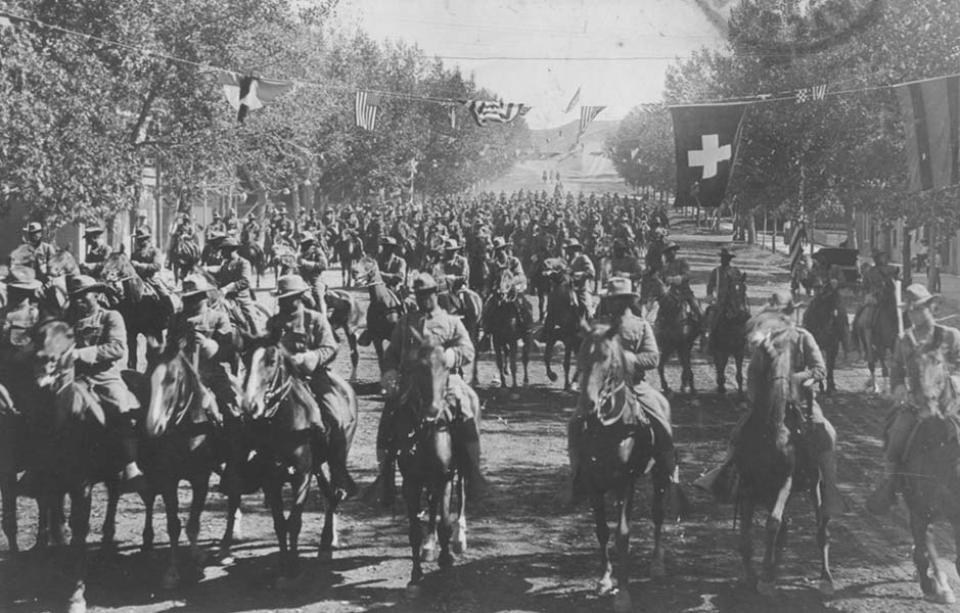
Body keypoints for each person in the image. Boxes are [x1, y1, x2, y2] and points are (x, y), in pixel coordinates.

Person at [694, 292, 842, 515]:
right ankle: (726, 477)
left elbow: (819, 369)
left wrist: (796, 379)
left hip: (800, 402)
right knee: (738, 434)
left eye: (783, 314)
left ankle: (830, 490)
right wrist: (756, 399)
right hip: (769, 403)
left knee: (825, 434)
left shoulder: (803, 337)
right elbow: (753, 374)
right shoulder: (765, 343)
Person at [374, 273, 483, 505]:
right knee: (388, 419)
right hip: (411, 383)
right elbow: (392, 353)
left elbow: (468, 349)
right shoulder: (405, 323)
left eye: (428, 294)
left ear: (436, 293)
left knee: (465, 412)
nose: (424, 299)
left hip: (445, 380)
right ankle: (385, 478)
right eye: (420, 295)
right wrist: (390, 373)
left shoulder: (451, 321)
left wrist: (450, 356)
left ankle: (473, 474)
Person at [568, 277, 676, 500]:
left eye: (620, 300)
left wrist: (628, 359)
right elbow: (585, 353)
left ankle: (669, 470)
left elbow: (653, 357)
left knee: (660, 420)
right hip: (603, 387)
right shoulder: (599, 326)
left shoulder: (641, 325)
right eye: (613, 300)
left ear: (628, 301)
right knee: (575, 423)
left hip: (634, 385)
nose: (616, 304)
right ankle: (577, 475)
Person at [866, 284, 960, 514]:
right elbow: (896, 370)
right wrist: (899, 388)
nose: (913, 314)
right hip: (916, 404)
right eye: (909, 310)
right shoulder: (904, 340)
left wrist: (956, 380)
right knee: (895, 438)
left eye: (918, 309)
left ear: (931, 307)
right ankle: (891, 485)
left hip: (950, 402)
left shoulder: (950, 335)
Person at [266, 275, 354, 498]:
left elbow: (330, 348)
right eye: (282, 299)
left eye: (289, 299)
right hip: (280, 380)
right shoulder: (274, 322)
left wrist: (309, 357)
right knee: (254, 416)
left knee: (335, 418)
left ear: (299, 297)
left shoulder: (315, 319)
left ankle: (339, 476)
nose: (284, 303)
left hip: (313, 378)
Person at [66, 274, 145, 492]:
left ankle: (131, 465)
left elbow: (117, 348)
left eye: (84, 296)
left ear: (96, 295)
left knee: (121, 407)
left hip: (105, 376)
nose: (79, 301)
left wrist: (81, 353)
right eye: (75, 297)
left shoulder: (110, 316)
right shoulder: (68, 319)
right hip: (75, 377)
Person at [164, 274, 237, 416]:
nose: (190, 301)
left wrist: (208, 345)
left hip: (211, 371)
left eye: (195, 297)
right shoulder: (176, 319)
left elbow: (228, 351)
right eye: (187, 297)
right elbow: (168, 349)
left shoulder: (217, 317)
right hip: (181, 373)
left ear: (204, 296)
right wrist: (178, 346)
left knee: (230, 406)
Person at [209, 237, 258, 335]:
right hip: (225, 298)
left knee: (251, 317)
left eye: (224, 250)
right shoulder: (225, 264)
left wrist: (228, 288)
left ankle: (257, 337)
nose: (222, 253)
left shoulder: (243, 263)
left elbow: (245, 281)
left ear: (232, 250)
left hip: (240, 297)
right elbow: (220, 278)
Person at [481, 237, 531, 332]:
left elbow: (520, 275)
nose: (498, 252)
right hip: (499, 291)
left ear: (504, 249)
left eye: (500, 249)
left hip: (513, 289)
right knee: (488, 307)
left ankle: (525, 327)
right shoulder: (494, 264)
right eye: (496, 250)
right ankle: (486, 331)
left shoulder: (513, 261)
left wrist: (509, 283)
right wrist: (487, 290)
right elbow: (490, 279)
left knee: (521, 305)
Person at [130, 227, 173, 308]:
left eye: (142, 239)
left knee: (164, 295)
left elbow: (157, 266)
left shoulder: (155, 251)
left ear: (147, 239)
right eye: (138, 239)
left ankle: (169, 311)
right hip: (137, 279)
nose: (139, 241)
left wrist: (139, 265)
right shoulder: (135, 253)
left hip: (151, 279)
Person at [660, 241, 702, 322]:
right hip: (670, 294)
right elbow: (661, 280)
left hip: (685, 292)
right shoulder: (665, 267)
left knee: (696, 308)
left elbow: (688, 275)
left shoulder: (682, 262)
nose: (670, 254)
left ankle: (704, 328)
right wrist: (665, 280)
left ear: (675, 252)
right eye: (668, 252)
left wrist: (680, 278)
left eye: (672, 251)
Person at [297, 235, 329, 319]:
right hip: (303, 279)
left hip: (316, 278)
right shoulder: (301, 253)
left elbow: (324, 265)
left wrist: (307, 263)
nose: (303, 244)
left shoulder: (317, 251)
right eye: (302, 243)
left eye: (305, 242)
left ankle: (324, 319)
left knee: (318, 296)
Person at [564, 239, 595, 318]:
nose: (569, 251)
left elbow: (591, 272)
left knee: (586, 309)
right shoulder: (568, 262)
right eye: (568, 249)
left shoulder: (583, 258)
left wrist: (578, 275)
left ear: (575, 249)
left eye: (571, 249)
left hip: (582, 289)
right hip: (570, 290)